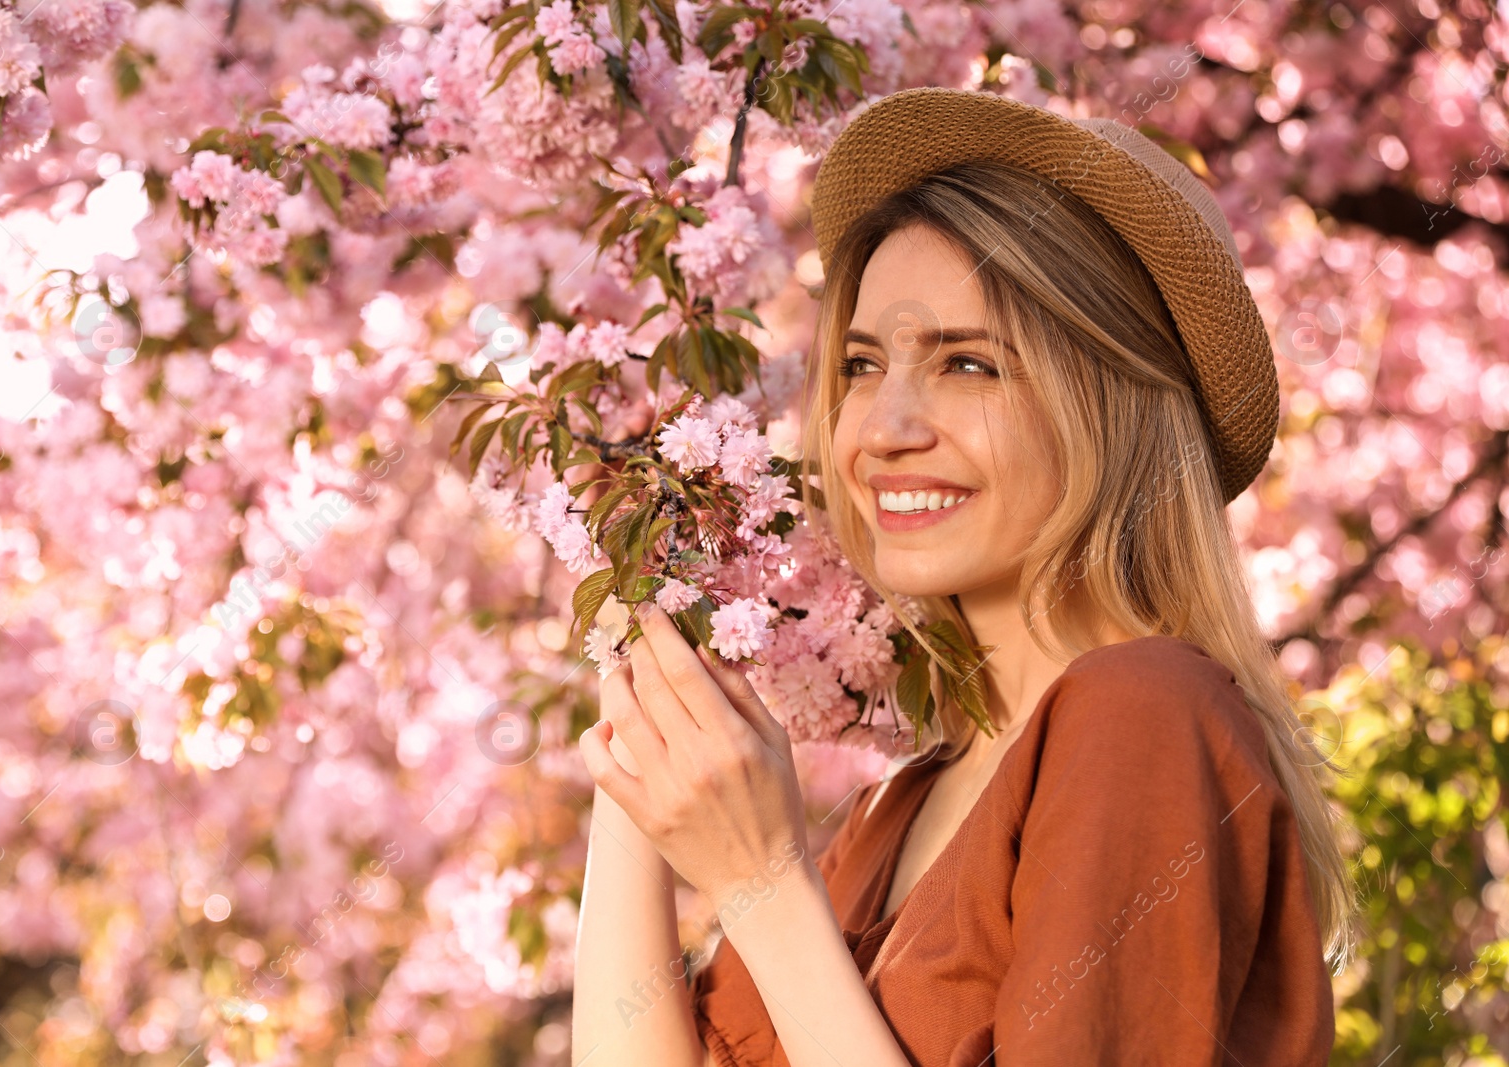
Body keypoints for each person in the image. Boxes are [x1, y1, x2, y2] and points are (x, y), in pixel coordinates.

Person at [570, 86, 1361, 1067]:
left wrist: (761, 882)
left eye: (969, 365)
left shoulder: (1144, 715)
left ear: (1110, 405)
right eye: (862, 366)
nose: (884, 429)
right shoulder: (893, 812)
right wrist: (639, 723)